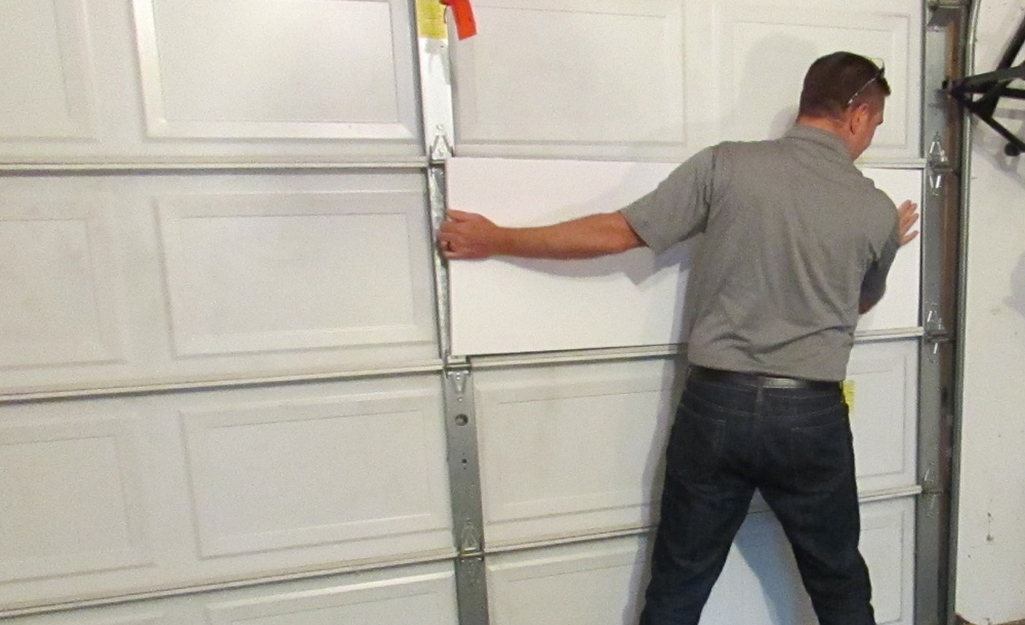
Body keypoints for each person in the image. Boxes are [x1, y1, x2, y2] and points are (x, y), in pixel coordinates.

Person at [439, 51, 919, 625]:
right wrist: (879, 242)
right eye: (876, 126)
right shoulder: (873, 209)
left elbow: (618, 231)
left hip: (716, 406)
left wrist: (498, 239)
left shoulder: (726, 165)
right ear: (858, 114)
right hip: (810, 416)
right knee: (839, 581)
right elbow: (860, 302)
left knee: (678, 586)